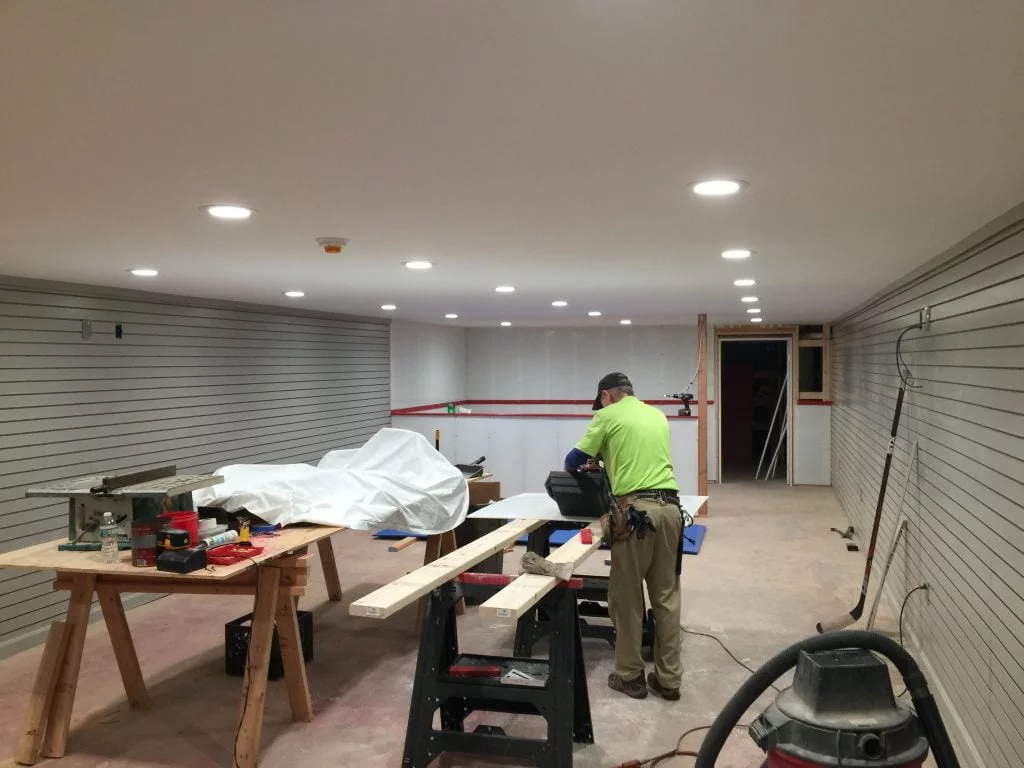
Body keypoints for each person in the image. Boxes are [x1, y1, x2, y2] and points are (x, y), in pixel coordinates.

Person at [564, 372, 683, 701]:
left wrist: (591, 463)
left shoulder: (607, 416)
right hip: (671, 510)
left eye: (601, 401)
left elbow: (573, 461)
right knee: (666, 598)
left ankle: (630, 676)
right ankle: (669, 680)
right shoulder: (657, 415)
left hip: (635, 515)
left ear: (606, 396)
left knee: (627, 598)